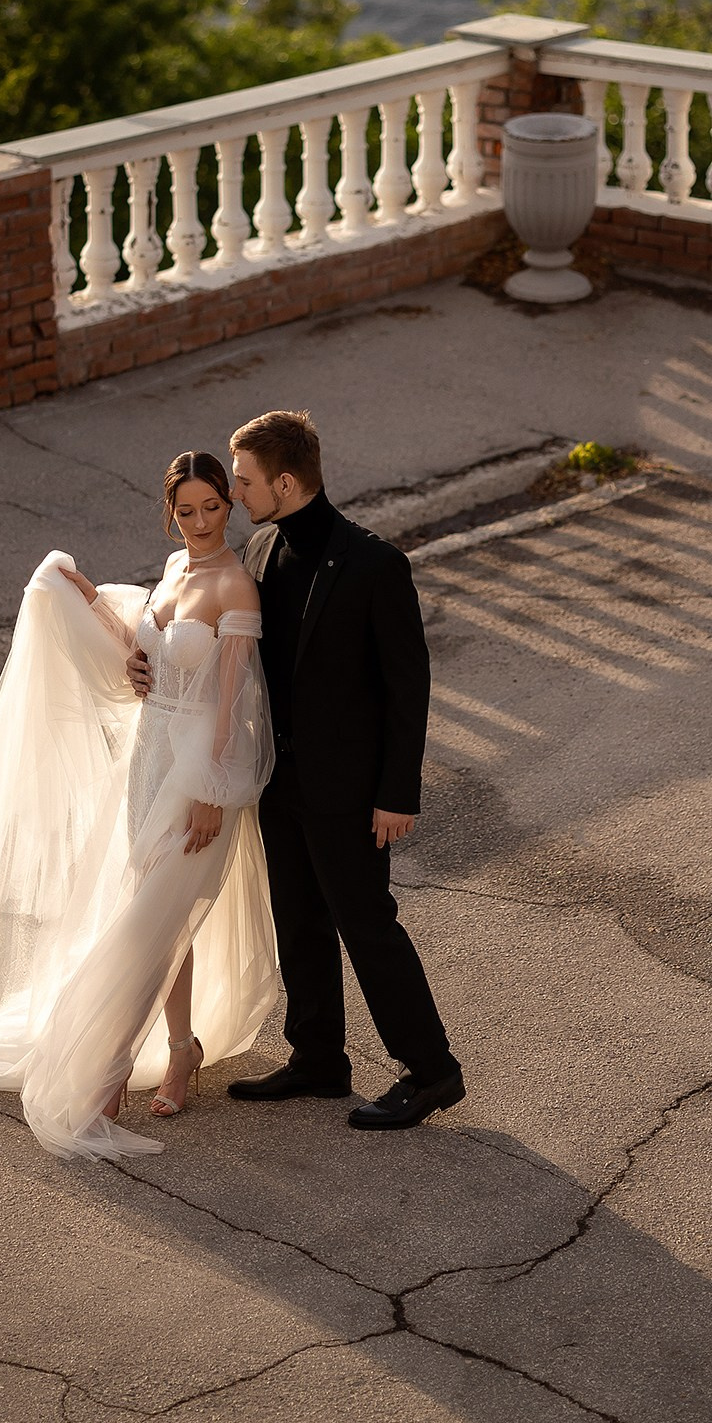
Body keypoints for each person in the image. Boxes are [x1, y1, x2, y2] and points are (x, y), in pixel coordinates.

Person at [0, 452, 278, 1160]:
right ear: (170, 512)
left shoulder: (236, 587)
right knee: (157, 913)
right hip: (149, 755)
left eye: (210, 508)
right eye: (185, 510)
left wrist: (213, 790)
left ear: (228, 505)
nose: (199, 523)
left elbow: (233, 705)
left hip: (199, 768)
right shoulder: (174, 573)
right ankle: (181, 1048)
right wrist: (92, 608)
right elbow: (147, 653)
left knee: (153, 922)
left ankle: (108, 1072)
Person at [130, 410, 464, 1129]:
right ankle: (318, 1058)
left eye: (245, 481)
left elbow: (407, 689)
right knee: (298, 921)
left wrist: (395, 794)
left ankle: (431, 1070)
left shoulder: (374, 565)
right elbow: (228, 656)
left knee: (366, 925)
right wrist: (145, 660)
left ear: (284, 481)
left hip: (348, 789)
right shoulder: (259, 552)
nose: (237, 493)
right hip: (276, 780)